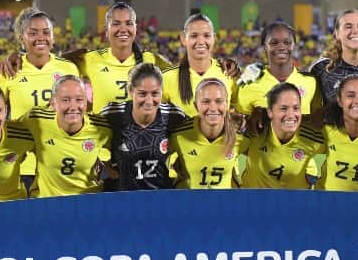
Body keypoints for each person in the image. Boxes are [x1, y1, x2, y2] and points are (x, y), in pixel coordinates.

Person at [0, 7, 79, 193]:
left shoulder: (68, 69)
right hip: (21, 165)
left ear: (53, 37)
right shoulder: (8, 71)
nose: (40, 37)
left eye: (46, 32)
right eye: (33, 33)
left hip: (58, 163)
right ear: (21, 38)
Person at [99, 63, 193, 191]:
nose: (149, 101)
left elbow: (196, 136)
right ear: (131, 91)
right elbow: (89, 134)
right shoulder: (113, 114)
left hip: (159, 198)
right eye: (142, 94)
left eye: (155, 93)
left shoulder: (173, 115)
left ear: (162, 91)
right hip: (120, 197)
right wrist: (105, 166)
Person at [22, 75, 113, 197]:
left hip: (88, 203)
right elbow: (9, 135)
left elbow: (114, 158)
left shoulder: (101, 127)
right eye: (66, 100)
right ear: (53, 103)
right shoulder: (36, 119)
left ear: (86, 103)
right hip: (46, 204)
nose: (73, 107)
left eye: (79, 100)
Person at [237, 83, 326, 189]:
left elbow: (342, 145)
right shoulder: (254, 131)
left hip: (293, 203)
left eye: (296, 108)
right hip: (253, 202)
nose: (290, 115)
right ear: (270, 112)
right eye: (283, 108)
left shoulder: (313, 138)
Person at [234, 22, 318, 118]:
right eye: (274, 43)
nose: (282, 47)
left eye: (287, 42)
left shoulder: (310, 82)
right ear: (265, 47)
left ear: (294, 45)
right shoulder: (249, 84)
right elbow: (241, 126)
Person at [171, 78, 240, 189]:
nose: (213, 108)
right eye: (205, 101)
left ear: (227, 104)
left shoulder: (240, 135)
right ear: (195, 105)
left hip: (224, 204)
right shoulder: (179, 135)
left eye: (219, 101)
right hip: (188, 204)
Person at [162, 13, 236, 116]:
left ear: (214, 38)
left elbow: (242, 109)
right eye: (194, 36)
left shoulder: (229, 73)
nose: (201, 41)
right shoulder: (166, 78)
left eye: (206, 35)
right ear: (183, 38)